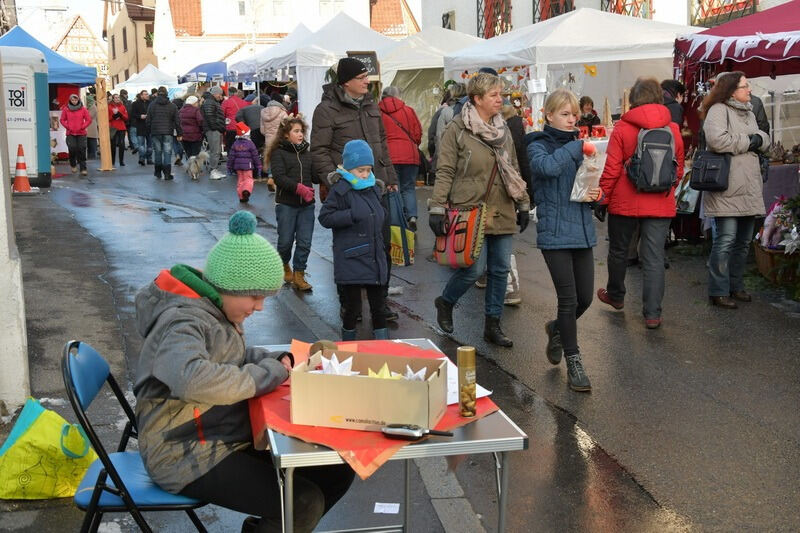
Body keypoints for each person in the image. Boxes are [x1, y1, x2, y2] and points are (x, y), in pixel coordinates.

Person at [133, 210, 354, 533]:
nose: (260, 307)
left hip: (215, 433)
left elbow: (229, 357)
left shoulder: (212, 309)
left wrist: (276, 359)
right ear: (230, 286)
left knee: (336, 469)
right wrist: (270, 374)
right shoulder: (184, 320)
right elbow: (192, 378)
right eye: (255, 296)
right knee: (303, 503)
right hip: (182, 452)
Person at [429, 72, 530, 347]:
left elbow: (514, 168)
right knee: (474, 269)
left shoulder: (503, 128)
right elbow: (445, 169)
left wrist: (523, 202)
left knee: (499, 270)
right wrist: (437, 207)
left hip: (503, 205)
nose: (501, 99)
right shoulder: (458, 129)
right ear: (477, 99)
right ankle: (446, 301)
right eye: (494, 95)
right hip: (470, 208)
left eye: (501, 94)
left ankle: (493, 325)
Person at [311, 57, 399, 323]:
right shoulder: (326, 110)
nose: (367, 82)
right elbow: (319, 151)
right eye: (361, 78)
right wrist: (336, 180)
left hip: (375, 190)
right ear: (346, 82)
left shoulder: (372, 107)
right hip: (346, 193)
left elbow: (382, 143)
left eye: (367, 77)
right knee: (350, 249)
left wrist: (389, 175)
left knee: (381, 248)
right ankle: (349, 306)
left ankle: (379, 303)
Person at [595, 77, 685, 329]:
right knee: (654, 258)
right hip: (660, 203)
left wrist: (603, 197)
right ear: (659, 97)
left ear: (633, 100)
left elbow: (612, 169)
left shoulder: (623, 128)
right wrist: (667, 190)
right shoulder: (673, 129)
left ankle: (615, 295)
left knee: (619, 251)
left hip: (625, 200)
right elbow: (678, 169)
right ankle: (653, 314)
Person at [526, 88, 599, 392]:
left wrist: (596, 195)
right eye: (565, 114)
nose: (572, 120)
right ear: (549, 114)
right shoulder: (536, 144)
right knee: (568, 300)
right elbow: (546, 168)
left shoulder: (577, 147)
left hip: (581, 229)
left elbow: (584, 184)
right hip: (555, 232)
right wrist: (576, 147)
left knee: (585, 298)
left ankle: (557, 330)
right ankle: (574, 361)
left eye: (574, 115)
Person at [701, 71, 770, 309]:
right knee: (726, 240)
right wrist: (750, 141)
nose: (749, 89)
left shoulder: (749, 111)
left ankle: (736, 286)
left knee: (743, 242)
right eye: (745, 86)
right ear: (731, 90)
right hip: (727, 188)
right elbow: (717, 140)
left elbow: (765, 138)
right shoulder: (718, 110)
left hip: (749, 185)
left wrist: (754, 139)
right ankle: (718, 291)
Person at [318, 140, 389, 341]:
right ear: (349, 168)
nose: (365, 175)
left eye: (368, 170)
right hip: (351, 258)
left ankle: (383, 347)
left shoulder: (374, 188)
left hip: (374, 256)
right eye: (360, 170)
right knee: (353, 308)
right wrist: (350, 215)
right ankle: (347, 345)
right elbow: (325, 217)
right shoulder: (341, 190)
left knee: (379, 307)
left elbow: (379, 214)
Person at [266, 115, 315, 291]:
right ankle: (284, 263)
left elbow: (315, 176)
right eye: (296, 131)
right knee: (286, 241)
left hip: (307, 206)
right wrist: (299, 188)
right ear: (286, 134)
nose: (300, 134)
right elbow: (279, 177)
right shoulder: (279, 153)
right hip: (286, 204)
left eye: (302, 131)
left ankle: (299, 274)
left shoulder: (308, 153)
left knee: (305, 241)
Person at [379, 86, 422, 231]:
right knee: (408, 187)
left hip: (389, 156)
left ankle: (397, 224)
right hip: (410, 156)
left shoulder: (377, 113)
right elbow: (417, 134)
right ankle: (412, 216)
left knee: (393, 188)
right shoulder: (408, 110)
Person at [146, 86, 182, 180]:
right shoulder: (172, 106)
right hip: (168, 132)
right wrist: (179, 133)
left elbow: (148, 120)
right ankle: (167, 174)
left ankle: (157, 172)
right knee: (167, 152)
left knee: (157, 152)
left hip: (155, 132)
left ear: (157, 93)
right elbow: (177, 121)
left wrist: (149, 131)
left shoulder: (152, 105)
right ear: (167, 94)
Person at [227, 122, 262, 203]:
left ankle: (241, 197)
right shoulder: (250, 143)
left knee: (240, 181)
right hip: (248, 166)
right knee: (249, 179)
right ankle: (246, 191)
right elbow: (255, 156)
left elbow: (231, 156)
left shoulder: (235, 143)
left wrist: (229, 167)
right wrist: (259, 166)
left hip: (238, 167)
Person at [260, 93, 289, 187]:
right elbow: (286, 128)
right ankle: (276, 179)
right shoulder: (282, 112)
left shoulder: (263, 112)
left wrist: (268, 134)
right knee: (280, 158)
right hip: (279, 139)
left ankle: (270, 176)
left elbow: (262, 130)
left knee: (270, 157)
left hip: (268, 138)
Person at [60, 93, 92, 176]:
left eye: (76, 100)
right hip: (70, 133)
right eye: (72, 100)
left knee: (82, 149)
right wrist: (68, 127)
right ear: (70, 100)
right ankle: (73, 164)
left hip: (81, 133)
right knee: (72, 149)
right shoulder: (66, 109)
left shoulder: (83, 109)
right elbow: (62, 120)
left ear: (78, 100)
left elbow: (88, 120)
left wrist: (83, 126)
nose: (74, 101)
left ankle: (83, 168)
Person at [201, 86, 226, 180]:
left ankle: (214, 169)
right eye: (220, 94)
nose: (221, 96)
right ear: (215, 93)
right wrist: (217, 127)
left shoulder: (211, 101)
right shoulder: (210, 102)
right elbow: (209, 116)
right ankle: (213, 170)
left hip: (214, 129)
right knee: (215, 151)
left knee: (216, 150)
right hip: (213, 130)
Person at [222, 87, 249, 154]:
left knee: (230, 145)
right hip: (241, 127)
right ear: (236, 93)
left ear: (229, 93)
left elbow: (222, 114)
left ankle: (231, 160)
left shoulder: (226, 102)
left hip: (230, 127)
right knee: (241, 145)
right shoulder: (243, 102)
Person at [130, 90, 153, 166]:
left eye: (147, 94)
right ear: (141, 95)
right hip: (140, 126)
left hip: (149, 127)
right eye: (145, 94)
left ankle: (149, 159)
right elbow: (132, 114)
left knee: (150, 145)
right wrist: (140, 116)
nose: (147, 95)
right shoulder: (135, 104)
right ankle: (142, 158)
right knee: (141, 145)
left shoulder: (150, 103)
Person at [179, 95, 205, 160]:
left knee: (188, 154)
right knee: (195, 154)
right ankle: (194, 168)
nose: (198, 104)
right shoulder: (196, 110)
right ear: (194, 103)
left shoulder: (181, 110)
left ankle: (190, 167)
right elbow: (200, 121)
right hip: (195, 135)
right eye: (197, 103)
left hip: (184, 135)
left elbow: (178, 122)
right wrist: (202, 130)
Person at [108, 93, 129, 167]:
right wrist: (114, 116)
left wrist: (120, 114)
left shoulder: (122, 106)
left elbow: (126, 118)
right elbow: (107, 118)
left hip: (121, 127)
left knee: (121, 144)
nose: (117, 99)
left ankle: (121, 161)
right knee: (113, 145)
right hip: (113, 127)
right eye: (115, 98)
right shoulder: (109, 106)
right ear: (113, 99)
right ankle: (112, 161)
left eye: (118, 97)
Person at [86, 97, 99, 161]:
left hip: (91, 125)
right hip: (89, 126)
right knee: (89, 141)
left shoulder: (93, 107)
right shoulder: (89, 106)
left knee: (92, 141)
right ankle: (90, 154)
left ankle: (92, 155)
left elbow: (89, 116)